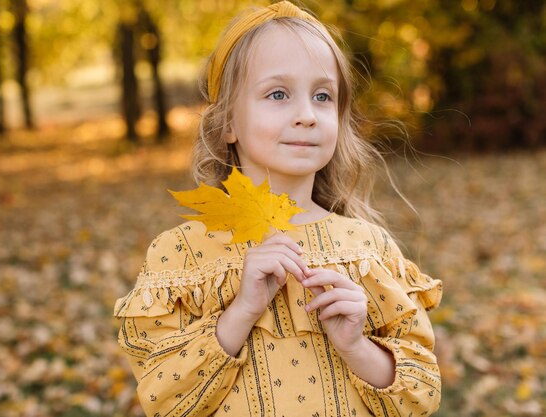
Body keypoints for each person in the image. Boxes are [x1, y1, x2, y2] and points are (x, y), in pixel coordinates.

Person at [114, 1, 442, 416]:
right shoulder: (182, 257)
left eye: (322, 96)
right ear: (227, 122)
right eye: (278, 94)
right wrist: (241, 313)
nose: (306, 115)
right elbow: (164, 399)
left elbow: (422, 396)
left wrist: (356, 346)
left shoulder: (367, 249)